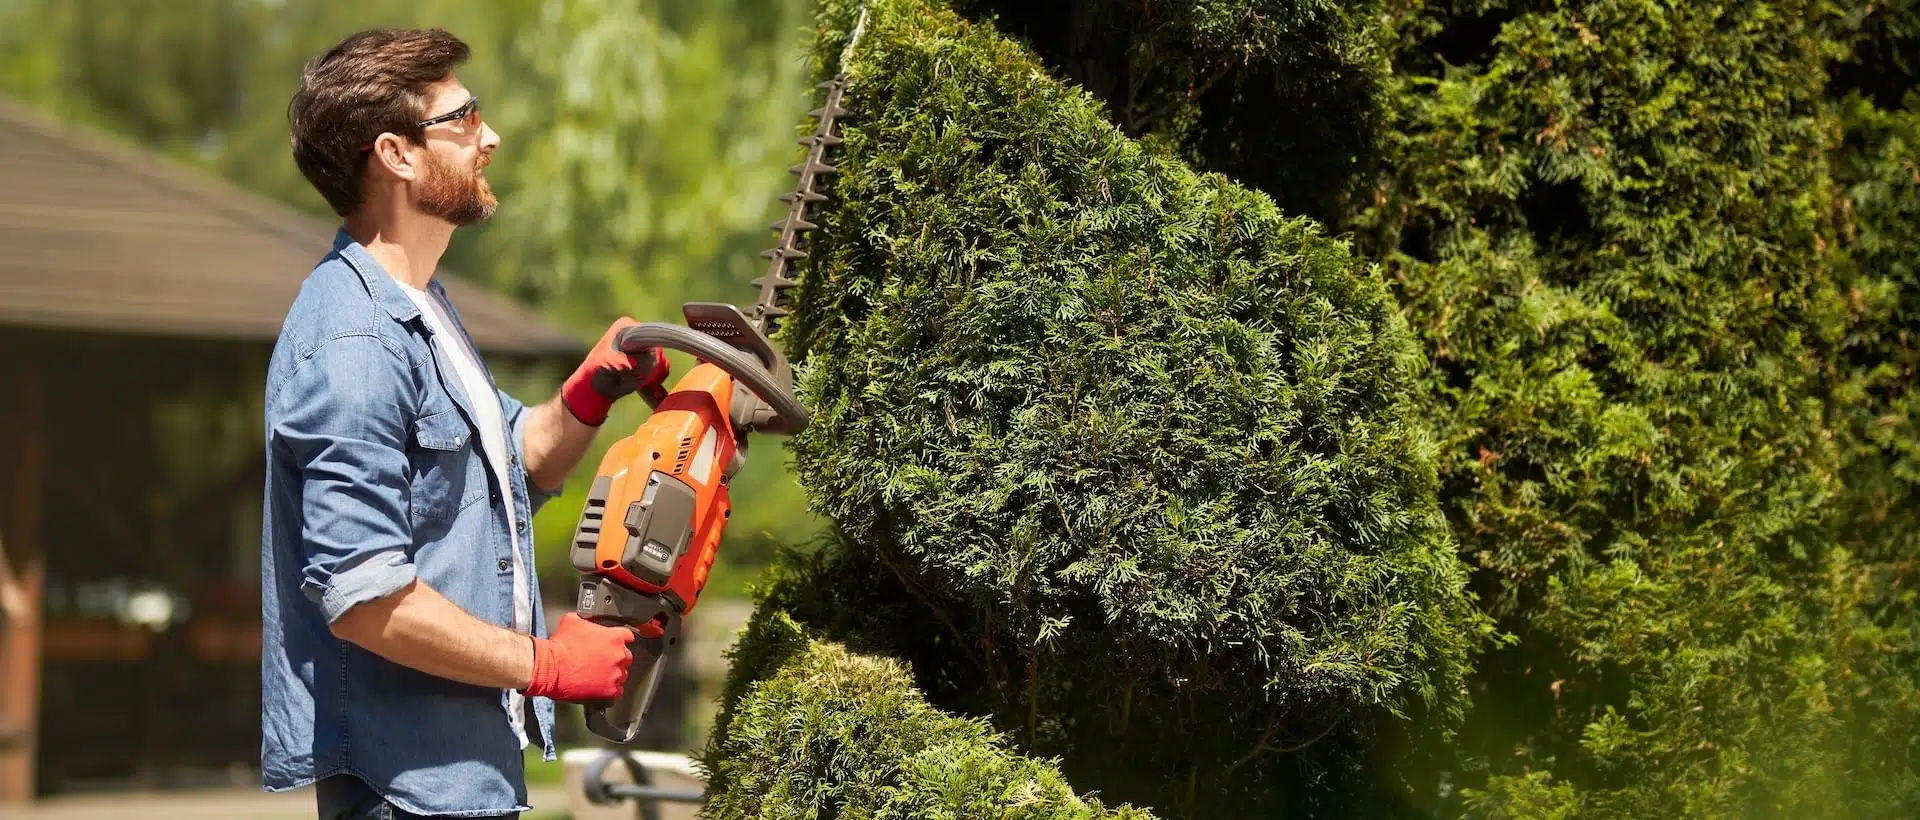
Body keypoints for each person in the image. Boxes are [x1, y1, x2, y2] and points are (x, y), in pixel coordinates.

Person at [259, 28, 668, 819]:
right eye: (465, 116)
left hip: (461, 781)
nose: (491, 136)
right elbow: (366, 597)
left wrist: (586, 396)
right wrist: (546, 664)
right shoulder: (354, 340)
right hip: (404, 792)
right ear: (398, 154)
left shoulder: (421, 307)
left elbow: (505, 467)